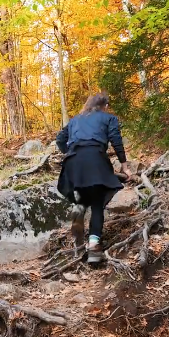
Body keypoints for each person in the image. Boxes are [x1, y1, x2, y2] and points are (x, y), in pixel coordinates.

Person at [55, 93, 127, 258]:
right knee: (97, 202)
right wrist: (125, 166)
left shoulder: (75, 120)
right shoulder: (109, 118)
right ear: (105, 106)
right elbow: (116, 140)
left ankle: (79, 208)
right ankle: (94, 247)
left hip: (73, 162)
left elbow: (60, 139)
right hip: (95, 158)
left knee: (82, 191)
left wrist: (70, 153)